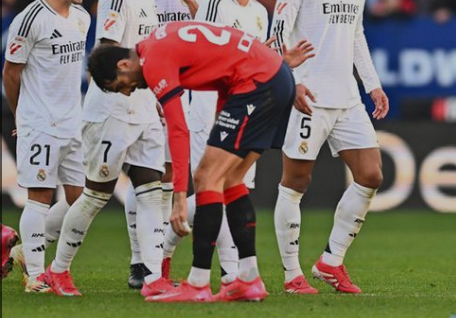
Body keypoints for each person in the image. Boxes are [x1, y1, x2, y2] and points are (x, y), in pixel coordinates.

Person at [86, 21, 313, 302]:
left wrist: (180, 196)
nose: (127, 91)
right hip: (273, 78)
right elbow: (222, 72)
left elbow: (178, 129)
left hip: (257, 84)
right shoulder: (159, 41)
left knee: (206, 177)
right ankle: (249, 279)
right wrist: (224, 114)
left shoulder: (153, 60)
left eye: (118, 85)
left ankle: (198, 283)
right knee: (230, 180)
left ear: (123, 65)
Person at [44, 0, 173, 298]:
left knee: (152, 191)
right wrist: (135, 78)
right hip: (113, 109)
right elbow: (105, 52)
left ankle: (152, 277)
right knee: (96, 195)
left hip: (144, 106)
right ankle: (58, 271)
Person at [270, 0, 389, 295]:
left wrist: (372, 85)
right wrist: (290, 83)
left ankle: (330, 261)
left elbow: (356, 35)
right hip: (308, 95)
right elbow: (277, 36)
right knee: (295, 183)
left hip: (347, 98)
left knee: (371, 175)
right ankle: (291, 275)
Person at [161, 0, 269, 292]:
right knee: (219, 190)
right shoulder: (215, 5)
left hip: (243, 112)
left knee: (230, 191)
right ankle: (232, 274)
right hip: (208, 112)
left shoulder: (260, 12)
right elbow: (196, 53)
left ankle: (162, 249)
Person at [120, 0, 206, 288]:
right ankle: (140, 261)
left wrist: (190, 0)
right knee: (146, 175)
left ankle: (155, 258)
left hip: (181, 95)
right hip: (146, 93)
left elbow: (206, 40)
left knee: (169, 177)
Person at [2, 0, 90, 293]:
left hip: (72, 121)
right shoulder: (30, 18)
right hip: (40, 121)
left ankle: (25, 251)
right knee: (39, 195)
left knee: (80, 196)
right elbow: (11, 72)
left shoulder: (81, 18)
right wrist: (23, 114)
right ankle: (37, 275)